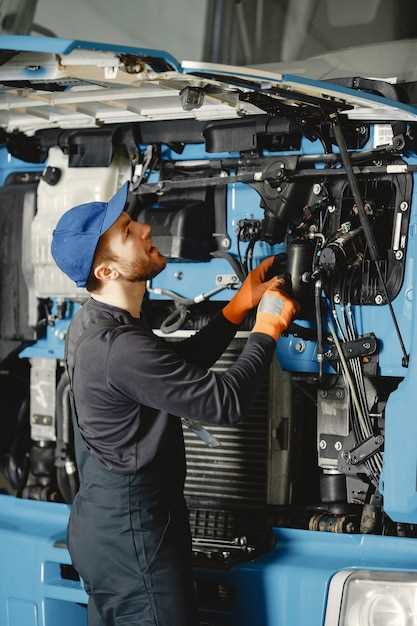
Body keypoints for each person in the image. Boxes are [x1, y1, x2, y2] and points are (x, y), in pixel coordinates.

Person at [51, 181, 297, 626]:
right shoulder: (119, 346)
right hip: (135, 542)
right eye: (127, 233)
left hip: (106, 529)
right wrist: (266, 330)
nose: (145, 229)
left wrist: (236, 309)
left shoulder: (97, 323)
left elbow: (169, 371)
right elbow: (224, 403)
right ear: (107, 270)